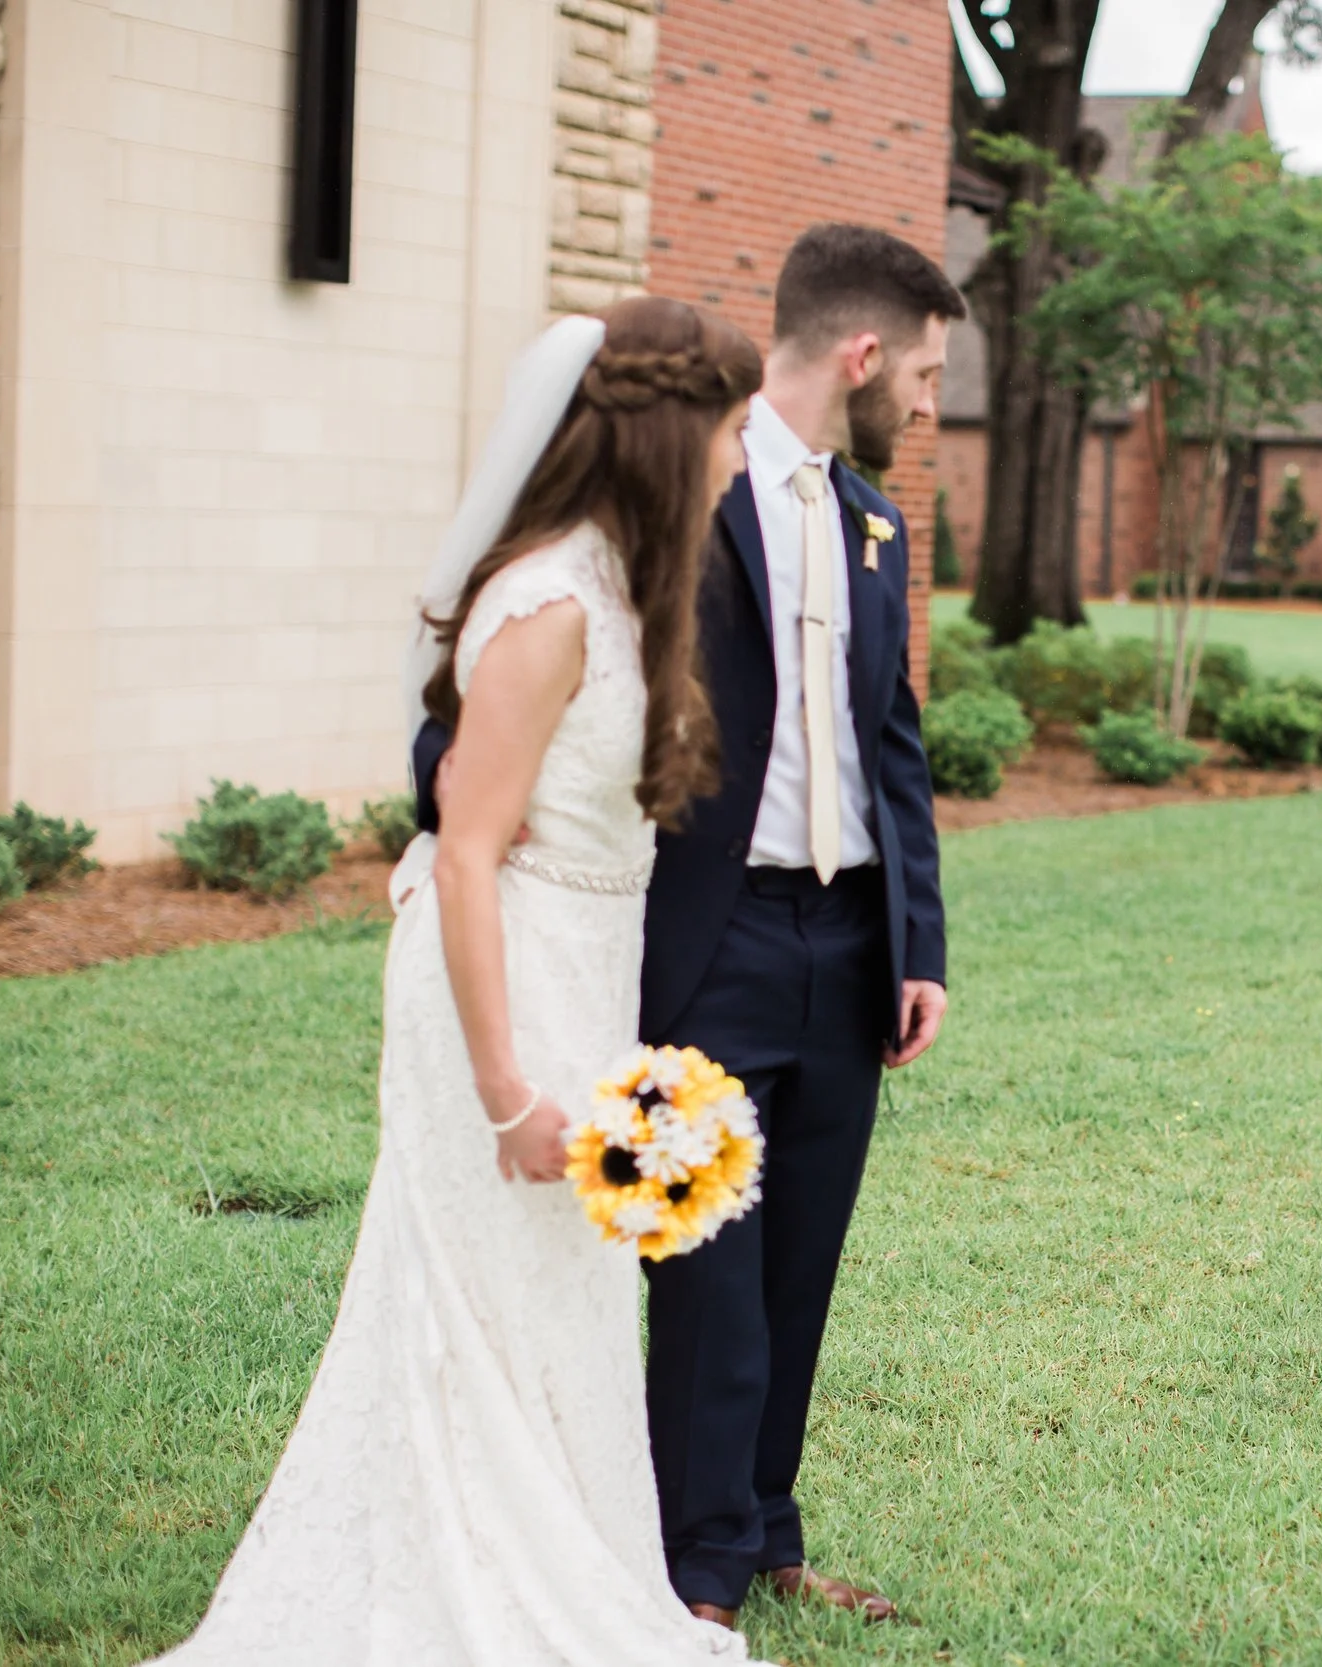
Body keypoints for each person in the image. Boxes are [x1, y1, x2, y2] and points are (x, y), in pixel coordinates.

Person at [153, 297, 765, 1663]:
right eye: (730, 431)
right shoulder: (547, 604)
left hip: (583, 970)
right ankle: (474, 1577)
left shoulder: (624, 586)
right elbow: (469, 851)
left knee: (561, 1294)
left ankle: (568, 1552)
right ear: (671, 437)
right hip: (505, 978)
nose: (739, 457)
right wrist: (504, 1090)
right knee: (488, 1292)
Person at [426, 224, 963, 1632]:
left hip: (848, 945)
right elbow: (492, 673)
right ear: (863, 355)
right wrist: (464, 812)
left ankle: (771, 1530)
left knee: (800, 1259)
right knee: (704, 1261)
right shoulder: (682, 493)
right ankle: (698, 1567)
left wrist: (916, 942)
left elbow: (892, 739)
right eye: (924, 376)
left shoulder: (877, 523)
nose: (927, 406)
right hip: (701, 937)